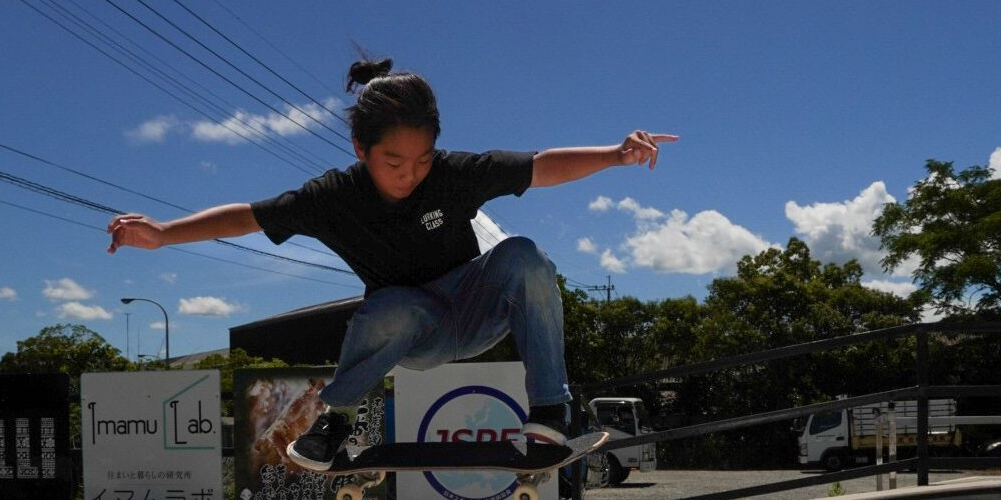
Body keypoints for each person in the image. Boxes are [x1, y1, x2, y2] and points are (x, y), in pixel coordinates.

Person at [107, 58, 676, 469]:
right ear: (361, 149)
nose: (409, 175)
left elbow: (540, 165)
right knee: (393, 305)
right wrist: (165, 234)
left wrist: (615, 155)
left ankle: (550, 415)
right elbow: (249, 217)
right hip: (412, 334)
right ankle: (335, 424)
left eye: (422, 160)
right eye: (393, 162)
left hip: (476, 312)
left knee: (524, 256)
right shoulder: (333, 197)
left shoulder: (452, 175)